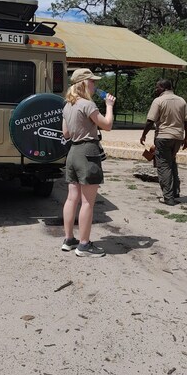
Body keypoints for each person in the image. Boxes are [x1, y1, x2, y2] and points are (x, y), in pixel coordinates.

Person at [61, 68, 116, 257]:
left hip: (73, 152)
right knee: (87, 202)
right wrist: (109, 106)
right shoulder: (87, 104)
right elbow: (107, 125)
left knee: (71, 199)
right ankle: (84, 245)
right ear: (84, 83)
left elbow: (66, 134)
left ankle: (69, 239)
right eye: (92, 81)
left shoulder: (67, 106)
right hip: (88, 152)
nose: (95, 85)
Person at [140, 79, 187, 206]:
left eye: (157, 87)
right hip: (177, 138)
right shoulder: (181, 100)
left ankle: (168, 197)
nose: (155, 89)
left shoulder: (158, 101)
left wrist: (144, 134)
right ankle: (175, 192)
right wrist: (186, 138)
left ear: (163, 88)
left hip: (163, 137)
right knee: (171, 163)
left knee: (164, 166)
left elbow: (150, 121)